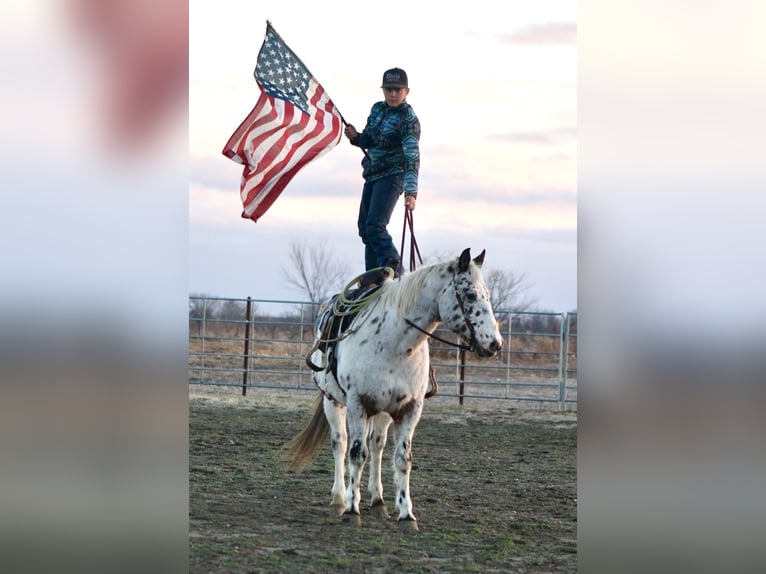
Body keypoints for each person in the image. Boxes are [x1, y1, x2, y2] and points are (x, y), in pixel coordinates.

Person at [344, 67, 420, 281]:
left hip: (393, 176)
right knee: (365, 229)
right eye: (389, 90)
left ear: (406, 91)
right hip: (372, 175)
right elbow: (369, 139)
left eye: (397, 90)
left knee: (376, 225)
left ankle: (395, 271)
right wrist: (355, 137)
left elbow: (412, 157)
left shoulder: (409, 120)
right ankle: (373, 278)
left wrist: (411, 193)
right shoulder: (377, 109)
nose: (393, 94)